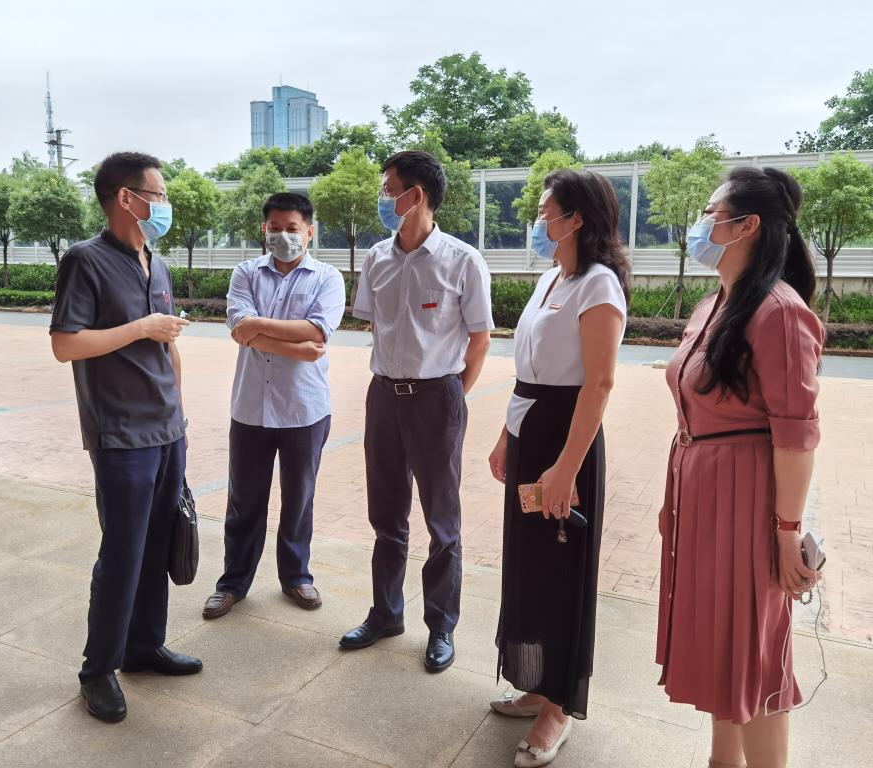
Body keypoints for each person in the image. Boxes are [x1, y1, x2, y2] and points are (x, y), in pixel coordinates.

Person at [655, 167, 824, 768]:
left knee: (755, 648)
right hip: (704, 491)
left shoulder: (780, 311)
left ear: (746, 225)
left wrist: (786, 532)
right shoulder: (716, 303)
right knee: (723, 641)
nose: (701, 225)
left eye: (711, 213)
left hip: (747, 501)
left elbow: (797, 435)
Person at [50, 151, 201, 724]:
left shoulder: (155, 263)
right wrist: (139, 328)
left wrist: (180, 415)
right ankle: (98, 668)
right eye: (158, 195)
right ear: (126, 198)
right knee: (122, 552)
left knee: (159, 543)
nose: (164, 204)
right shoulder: (85, 260)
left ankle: (144, 647)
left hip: (166, 430)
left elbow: (167, 345)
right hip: (120, 434)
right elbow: (66, 343)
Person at [488, 170, 630, 767]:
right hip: (531, 429)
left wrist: (566, 468)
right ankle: (536, 682)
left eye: (547, 211)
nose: (538, 219)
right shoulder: (552, 277)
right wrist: (506, 436)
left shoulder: (599, 286)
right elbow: (529, 372)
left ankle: (559, 706)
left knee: (562, 572)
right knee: (529, 566)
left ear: (577, 219)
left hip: (567, 438)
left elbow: (598, 384)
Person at [340, 150, 494, 672]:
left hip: (437, 398)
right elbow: (375, 326)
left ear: (417, 195)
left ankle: (441, 626)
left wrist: (453, 397)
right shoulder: (377, 258)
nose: (383, 198)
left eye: (389, 188)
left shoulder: (462, 260)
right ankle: (385, 614)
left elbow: (480, 340)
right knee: (386, 514)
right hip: (384, 396)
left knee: (441, 519)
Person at [202, 192, 346, 619]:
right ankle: (233, 582)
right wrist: (297, 347)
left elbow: (317, 331)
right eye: (275, 227)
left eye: (292, 228)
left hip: (304, 410)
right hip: (250, 407)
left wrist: (256, 330)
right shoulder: (246, 272)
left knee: (299, 499)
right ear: (264, 229)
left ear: (309, 232)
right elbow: (240, 324)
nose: (284, 235)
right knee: (244, 501)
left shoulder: (327, 278)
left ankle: (297, 576)